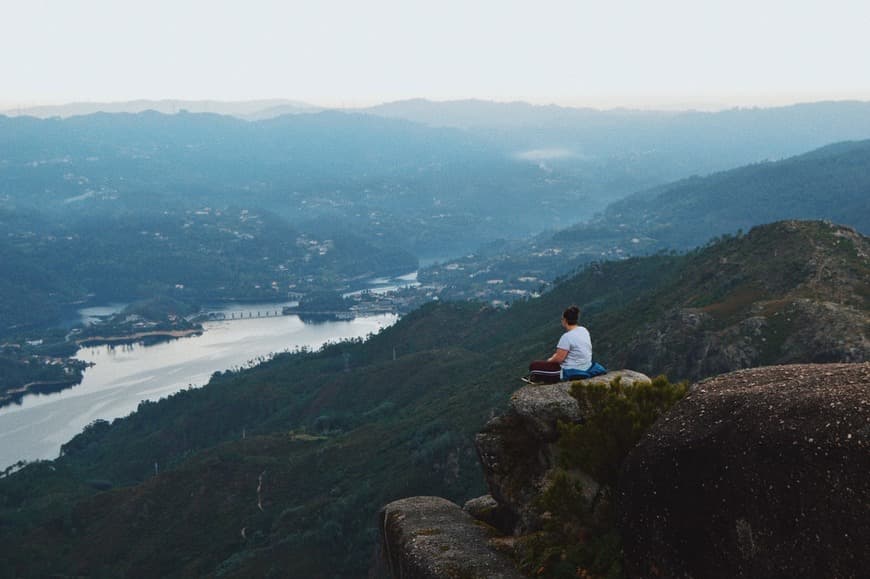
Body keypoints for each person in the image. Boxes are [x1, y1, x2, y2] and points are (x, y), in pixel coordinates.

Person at [547, 305, 593, 380]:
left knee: (535, 365)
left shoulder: (566, 337)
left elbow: (559, 359)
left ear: (565, 320)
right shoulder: (584, 330)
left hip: (571, 370)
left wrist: (549, 360)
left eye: (562, 319)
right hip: (586, 366)